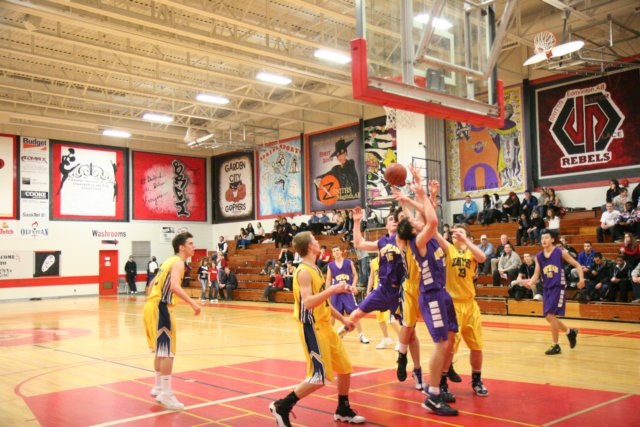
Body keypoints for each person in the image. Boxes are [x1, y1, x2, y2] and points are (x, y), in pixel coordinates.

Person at [268, 231, 365, 427]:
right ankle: (282, 406)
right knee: (319, 377)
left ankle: (342, 409)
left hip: (325, 326)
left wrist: (343, 319)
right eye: (314, 240)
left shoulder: (316, 269)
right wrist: (333, 289)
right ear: (310, 247)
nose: (318, 242)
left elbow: (325, 303)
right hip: (311, 328)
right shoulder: (303, 272)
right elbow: (308, 302)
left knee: (345, 368)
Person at [143, 232, 201, 410]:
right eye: (190, 243)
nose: (194, 246)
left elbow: (151, 284)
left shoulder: (168, 261)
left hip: (152, 306)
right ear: (181, 247)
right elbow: (175, 287)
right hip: (161, 309)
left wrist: (153, 301)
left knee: (160, 351)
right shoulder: (178, 263)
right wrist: (193, 303)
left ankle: (158, 387)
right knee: (168, 352)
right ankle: (166, 394)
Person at [435, 223, 489, 400]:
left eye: (461, 232)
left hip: (470, 305)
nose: (457, 234)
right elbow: (434, 233)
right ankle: (442, 383)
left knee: (477, 346)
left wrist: (466, 240)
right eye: (455, 232)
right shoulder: (449, 249)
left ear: (468, 236)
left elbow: (482, 257)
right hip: (453, 305)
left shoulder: (471, 252)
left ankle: (477, 380)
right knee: (449, 348)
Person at [526, 231, 584, 355]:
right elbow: (536, 273)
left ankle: (556, 345)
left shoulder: (560, 253)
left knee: (550, 315)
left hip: (558, 287)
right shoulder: (539, 256)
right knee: (548, 317)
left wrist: (581, 279)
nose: (543, 240)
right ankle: (569, 332)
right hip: (546, 288)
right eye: (542, 238)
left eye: (546, 237)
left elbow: (577, 265)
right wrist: (530, 282)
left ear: (552, 240)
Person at [326, 246, 369, 343]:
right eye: (334, 251)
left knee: (354, 313)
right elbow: (328, 280)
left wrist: (353, 285)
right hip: (336, 292)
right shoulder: (330, 265)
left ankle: (361, 335)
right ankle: (329, 336)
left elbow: (355, 275)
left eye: (337, 250)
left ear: (341, 252)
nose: (336, 252)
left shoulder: (348, 262)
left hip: (348, 292)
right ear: (332, 254)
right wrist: (327, 293)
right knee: (333, 315)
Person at [366, 255, 401, 349]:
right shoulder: (373, 262)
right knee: (380, 319)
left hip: (387, 293)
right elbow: (371, 277)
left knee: (391, 319)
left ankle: (401, 339)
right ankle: (386, 338)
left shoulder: (389, 260)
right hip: (377, 293)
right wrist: (368, 291)